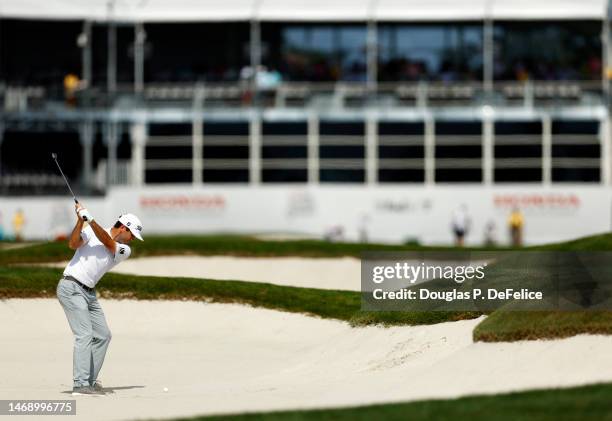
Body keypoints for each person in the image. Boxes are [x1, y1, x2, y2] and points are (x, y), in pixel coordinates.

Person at [56, 203, 143, 396]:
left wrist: (90, 219)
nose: (132, 240)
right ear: (124, 228)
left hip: (89, 293)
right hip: (71, 286)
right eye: (132, 235)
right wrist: (80, 220)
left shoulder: (123, 250)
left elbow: (107, 243)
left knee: (103, 335)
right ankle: (80, 385)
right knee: (85, 334)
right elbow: (73, 244)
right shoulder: (92, 230)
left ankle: (89, 381)